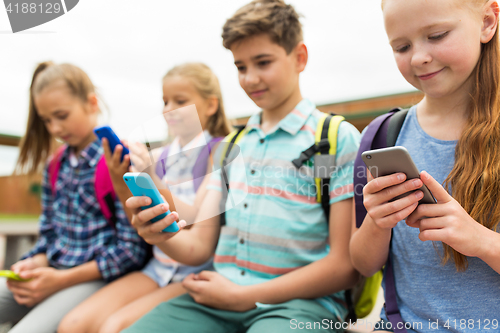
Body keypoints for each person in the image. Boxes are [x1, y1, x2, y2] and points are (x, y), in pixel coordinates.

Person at [122, 1, 361, 332]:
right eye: (240, 66)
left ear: (299, 58)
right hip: (217, 299)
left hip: (302, 306)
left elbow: (345, 266)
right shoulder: (230, 147)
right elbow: (196, 248)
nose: (250, 78)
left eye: (263, 62)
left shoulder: (335, 138)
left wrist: (244, 295)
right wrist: (157, 234)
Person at [350, 1, 500, 332]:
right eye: (401, 47)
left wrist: (482, 241)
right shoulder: (383, 135)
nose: (418, 57)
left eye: (437, 35)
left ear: (488, 21)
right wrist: (377, 222)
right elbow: (362, 262)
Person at [58, 62, 231, 333]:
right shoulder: (159, 156)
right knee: (72, 326)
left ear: (210, 105)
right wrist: (119, 177)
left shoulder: (219, 152)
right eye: (165, 101)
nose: (168, 109)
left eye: (180, 101)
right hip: (157, 268)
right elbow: (139, 222)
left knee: (112, 327)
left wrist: (154, 179)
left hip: (195, 274)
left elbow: (197, 218)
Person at [0, 62, 148, 333]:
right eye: (46, 120)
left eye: (62, 115)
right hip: (53, 271)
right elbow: (49, 233)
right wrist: (35, 261)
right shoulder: (54, 166)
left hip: (99, 278)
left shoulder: (117, 160)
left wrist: (60, 280)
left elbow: (131, 251)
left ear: (91, 103)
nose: (55, 127)